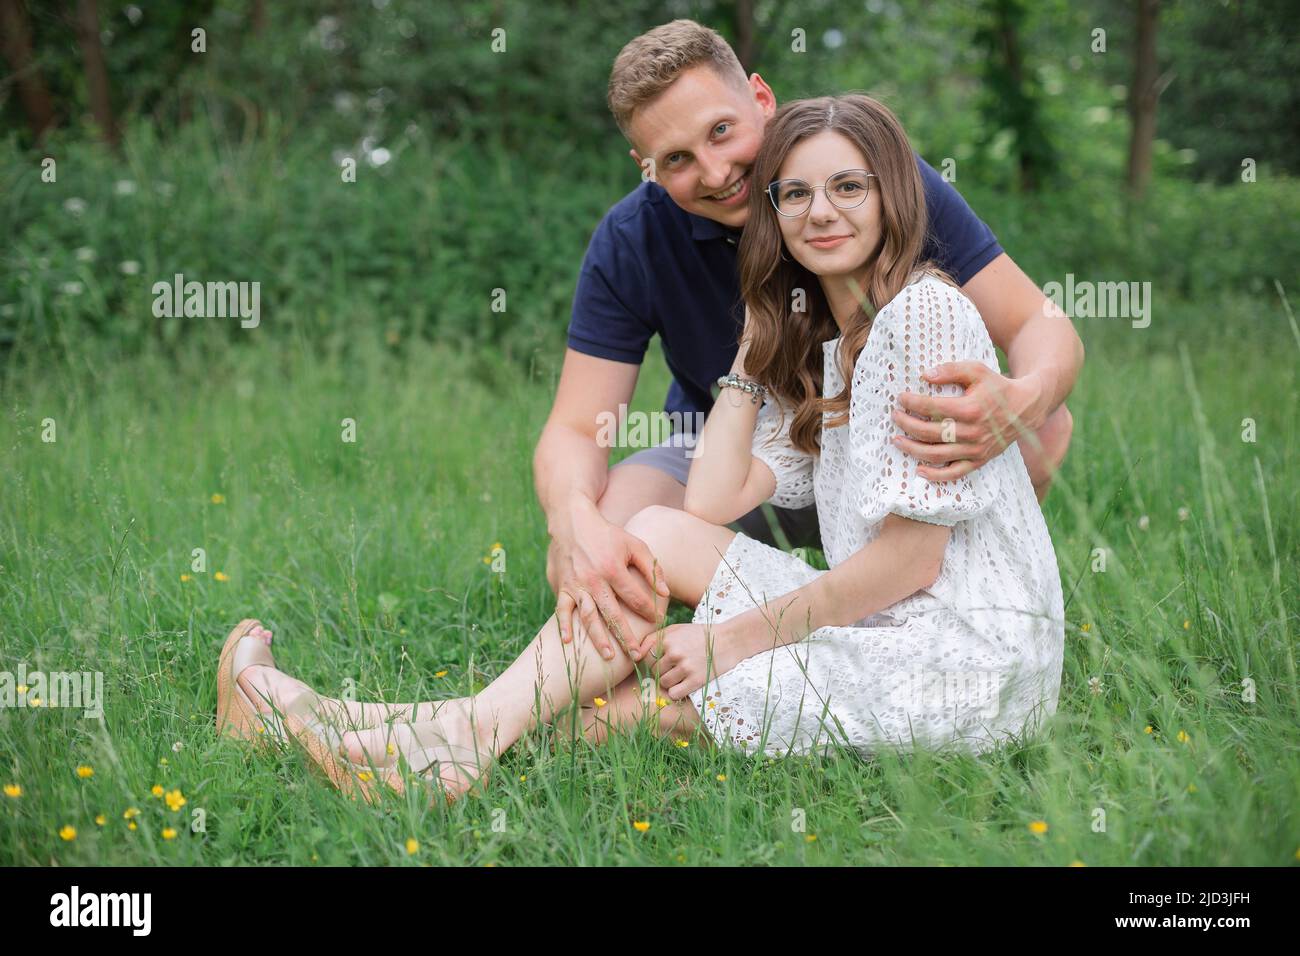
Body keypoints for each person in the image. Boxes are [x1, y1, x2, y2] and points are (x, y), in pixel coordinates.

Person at [216, 93, 1065, 803]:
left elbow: (911, 565)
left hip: (962, 661)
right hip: (884, 621)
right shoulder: (836, 348)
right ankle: (433, 737)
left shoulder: (923, 315)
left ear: (895, 197)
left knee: (688, 693)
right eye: (796, 195)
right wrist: (755, 343)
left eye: (849, 186)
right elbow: (708, 503)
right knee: (651, 533)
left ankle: (396, 737)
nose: (822, 212)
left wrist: (729, 641)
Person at [534, 19, 1081, 670]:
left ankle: (949, 606)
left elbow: (1037, 323)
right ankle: (610, 670)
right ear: (645, 167)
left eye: (721, 131)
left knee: (1041, 428)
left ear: (761, 100)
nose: (715, 172)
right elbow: (574, 426)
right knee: (609, 521)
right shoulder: (633, 240)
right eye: (677, 160)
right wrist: (570, 518)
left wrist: (1024, 395)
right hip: (733, 455)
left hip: (884, 451)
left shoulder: (865, 178)